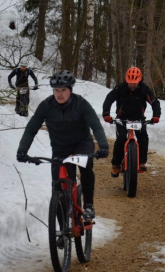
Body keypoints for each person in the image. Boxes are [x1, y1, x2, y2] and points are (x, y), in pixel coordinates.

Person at [16, 70, 109, 220]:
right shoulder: (46, 106)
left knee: (86, 166)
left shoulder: (81, 104)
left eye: (63, 90)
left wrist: (103, 146)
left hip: (82, 144)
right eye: (56, 90)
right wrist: (22, 150)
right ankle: (61, 231)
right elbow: (31, 128)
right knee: (57, 187)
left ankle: (89, 206)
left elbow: (96, 126)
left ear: (70, 90)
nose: (59, 94)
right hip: (60, 148)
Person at [102, 66, 161, 177]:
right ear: (126, 80)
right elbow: (109, 99)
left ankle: (141, 162)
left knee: (143, 136)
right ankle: (116, 164)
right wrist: (106, 114)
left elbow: (154, 101)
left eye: (134, 83)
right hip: (122, 119)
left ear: (139, 81)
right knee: (121, 139)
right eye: (130, 83)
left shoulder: (144, 89)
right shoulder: (120, 88)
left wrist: (156, 115)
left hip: (138, 119)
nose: (132, 85)